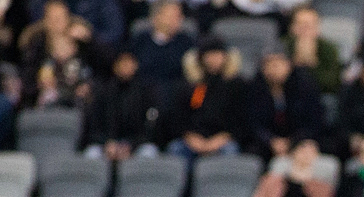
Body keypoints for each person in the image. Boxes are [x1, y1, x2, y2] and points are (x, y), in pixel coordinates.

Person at [166, 34, 245, 162]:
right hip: (194, 139)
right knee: (176, 149)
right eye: (209, 55)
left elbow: (241, 120)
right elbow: (179, 118)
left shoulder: (237, 84)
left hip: (224, 140)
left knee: (230, 151)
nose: (214, 59)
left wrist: (222, 138)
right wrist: (190, 137)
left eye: (217, 54)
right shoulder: (190, 85)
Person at [245, 46, 323, 160]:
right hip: (267, 142)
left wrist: (292, 141)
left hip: (299, 138)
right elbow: (252, 123)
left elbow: (314, 121)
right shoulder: (254, 89)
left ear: (288, 65)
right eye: (270, 64)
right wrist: (271, 140)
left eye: (278, 64)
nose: (274, 69)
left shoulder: (305, 86)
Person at [84, 49, 161, 160]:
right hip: (107, 143)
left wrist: (131, 145)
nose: (126, 67)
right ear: (115, 66)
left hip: (135, 144)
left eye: (129, 63)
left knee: (149, 152)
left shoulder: (146, 93)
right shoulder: (103, 92)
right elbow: (93, 125)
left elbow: (151, 125)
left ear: (136, 65)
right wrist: (107, 143)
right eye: (123, 63)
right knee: (91, 154)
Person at [252, 138, 335, 197]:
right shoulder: (272, 181)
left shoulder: (322, 188)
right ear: (294, 152)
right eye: (303, 150)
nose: (307, 155)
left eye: (312, 152)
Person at [126, 0, 194, 88]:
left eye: (179, 16)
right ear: (156, 17)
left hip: (177, 91)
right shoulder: (140, 41)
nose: (177, 20)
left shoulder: (186, 42)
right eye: (172, 16)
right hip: (142, 91)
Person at [285, 5, 340, 95]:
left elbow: (332, 83)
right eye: (301, 24)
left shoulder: (329, 49)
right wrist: (294, 64)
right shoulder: (282, 46)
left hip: (319, 95)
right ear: (292, 27)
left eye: (310, 25)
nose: (305, 29)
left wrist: (313, 65)